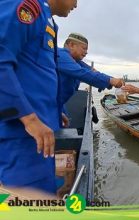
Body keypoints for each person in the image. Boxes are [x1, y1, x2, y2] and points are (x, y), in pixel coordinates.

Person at [0, 0, 77, 194]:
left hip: (41, 131)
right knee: (27, 201)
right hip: (22, 133)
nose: (76, 4)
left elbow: (39, 73)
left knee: (43, 191)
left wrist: (57, 110)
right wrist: (29, 119)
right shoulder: (26, 7)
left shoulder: (47, 20)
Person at [57, 33, 123, 126]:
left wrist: (110, 81)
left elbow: (92, 72)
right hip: (46, 104)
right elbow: (83, 73)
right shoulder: (60, 55)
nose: (86, 52)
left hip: (58, 105)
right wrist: (110, 80)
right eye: (84, 48)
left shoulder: (76, 61)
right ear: (71, 45)